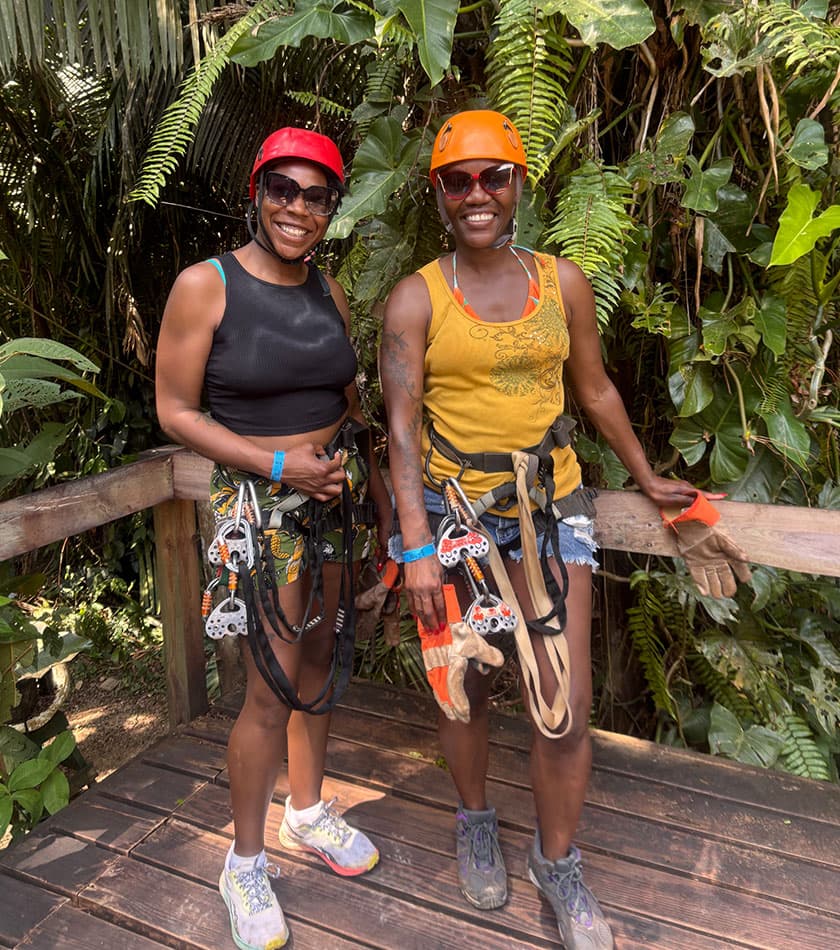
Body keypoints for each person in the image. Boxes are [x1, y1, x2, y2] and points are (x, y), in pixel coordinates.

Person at [380, 109, 708, 950]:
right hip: (454, 520)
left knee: (565, 702)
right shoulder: (416, 298)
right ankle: (476, 820)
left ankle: (557, 865)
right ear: (439, 195)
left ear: (521, 183)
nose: (478, 193)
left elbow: (594, 391)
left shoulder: (561, 282)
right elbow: (402, 428)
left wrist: (646, 477)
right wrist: (414, 545)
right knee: (462, 684)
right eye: (460, 180)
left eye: (495, 176)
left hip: (552, 511)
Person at [156, 126, 390, 950]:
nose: (298, 207)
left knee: (320, 661)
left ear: (331, 208)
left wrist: (367, 489)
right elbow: (175, 412)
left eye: (316, 195)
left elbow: (347, 395)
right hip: (261, 512)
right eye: (282, 190)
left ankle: (308, 810)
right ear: (256, 194)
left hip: (332, 502)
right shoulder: (205, 285)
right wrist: (277, 463)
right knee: (269, 687)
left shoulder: (326, 288)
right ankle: (243, 861)